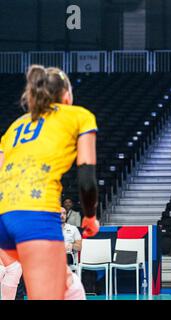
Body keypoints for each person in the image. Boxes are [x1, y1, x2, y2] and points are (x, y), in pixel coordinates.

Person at [0, 65, 100, 300]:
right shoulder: (78, 115)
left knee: (71, 288)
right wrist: (89, 216)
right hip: (35, 215)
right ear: (66, 95)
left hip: (4, 217)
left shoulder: (16, 126)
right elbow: (86, 177)